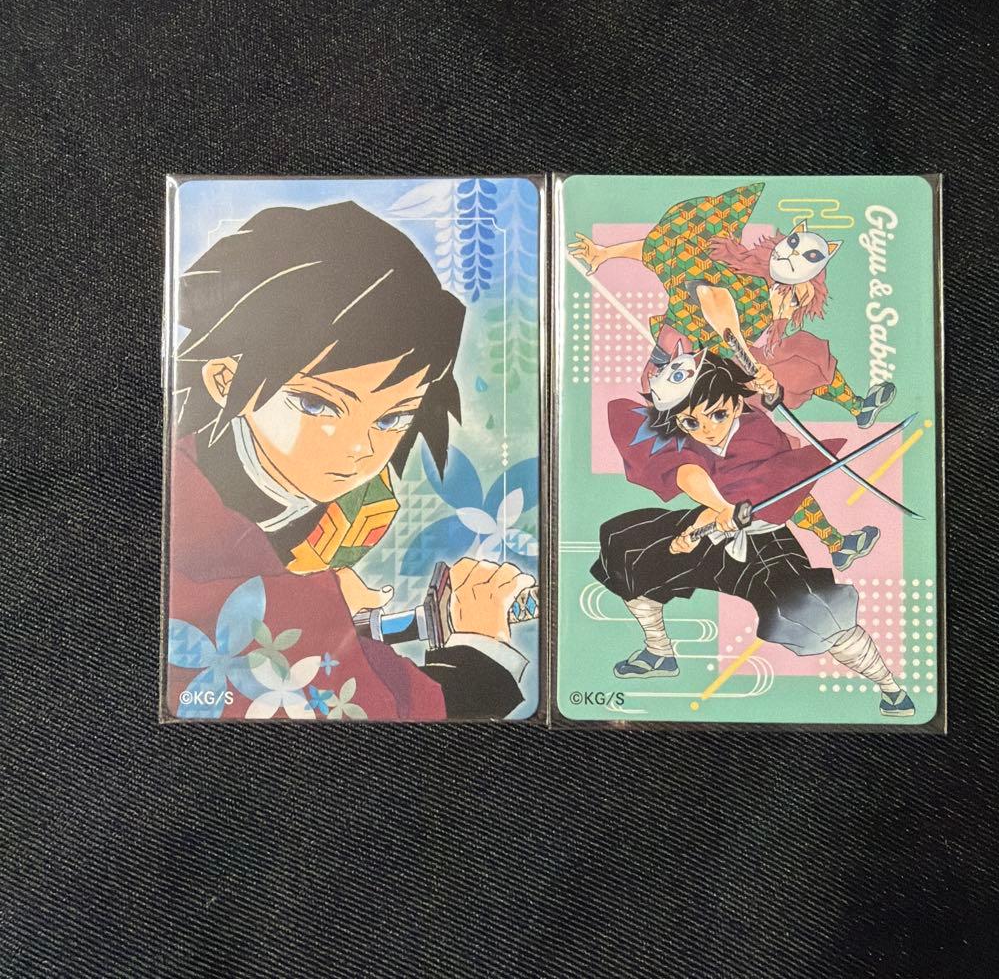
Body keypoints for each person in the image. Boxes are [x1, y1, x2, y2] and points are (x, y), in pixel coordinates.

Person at [166, 200, 533, 721]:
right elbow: (393, 711)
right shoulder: (188, 509)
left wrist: (328, 599)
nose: (358, 447)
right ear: (225, 379)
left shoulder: (358, 505)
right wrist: (479, 643)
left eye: (392, 417)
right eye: (316, 405)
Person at [570, 184, 890, 570]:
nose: (788, 300)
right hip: (686, 374)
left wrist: (760, 380)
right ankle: (833, 538)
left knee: (797, 370)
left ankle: (856, 414)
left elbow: (660, 254)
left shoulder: (770, 295)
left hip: (723, 377)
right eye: (793, 247)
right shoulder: (732, 273)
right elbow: (698, 285)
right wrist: (605, 254)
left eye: (798, 294)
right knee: (755, 464)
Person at [594, 351, 914, 718]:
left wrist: (770, 388)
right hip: (713, 530)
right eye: (692, 422)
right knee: (626, 544)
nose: (707, 428)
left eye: (717, 414)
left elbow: (760, 463)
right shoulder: (684, 438)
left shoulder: (756, 431)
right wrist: (708, 518)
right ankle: (658, 652)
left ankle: (890, 688)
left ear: (735, 403)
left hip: (764, 544)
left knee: (811, 608)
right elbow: (686, 471)